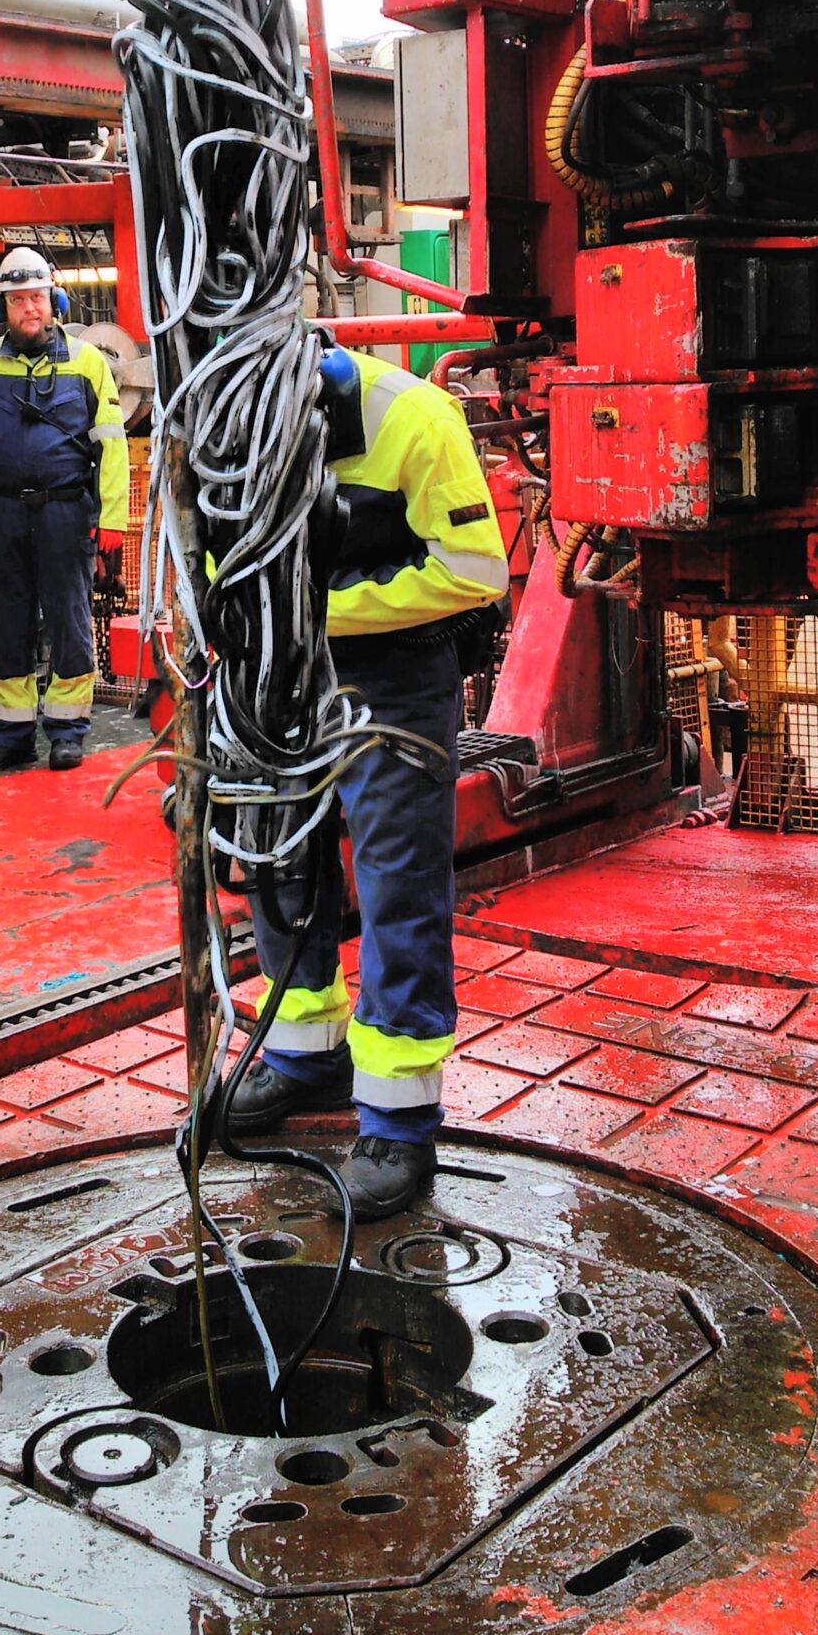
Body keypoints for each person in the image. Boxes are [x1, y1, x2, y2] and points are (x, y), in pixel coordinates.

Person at [229, 342, 508, 1220]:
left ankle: (397, 1122)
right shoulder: (229, 426)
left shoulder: (413, 419)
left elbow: (475, 568)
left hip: (394, 678)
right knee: (278, 860)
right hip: (278, 674)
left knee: (397, 886)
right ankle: (303, 1052)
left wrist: (315, 615)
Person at [0, 247, 127, 775]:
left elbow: (111, 447)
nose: (29, 308)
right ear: (2, 307)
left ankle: (67, 731)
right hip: (1, 511)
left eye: (37, 298)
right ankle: (14, 733)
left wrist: (111, 518)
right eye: (18, 299)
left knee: (69, 620)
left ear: (54, 302)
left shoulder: (88, 363)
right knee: (7, 622)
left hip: (65, 511)